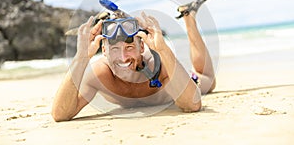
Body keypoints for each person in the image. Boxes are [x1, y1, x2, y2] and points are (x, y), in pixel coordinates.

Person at [51, 8, 216, 122]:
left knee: (209, 80)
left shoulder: (160, 67)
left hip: (183, 79)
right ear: (103, 50)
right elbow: (60, 114)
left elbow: (192, 105)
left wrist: (162, 49)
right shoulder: (99, 74)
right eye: (114, 48)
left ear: (142, 47)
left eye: (129, 47)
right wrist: (81, 57)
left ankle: (189, 18)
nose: (123, 57)